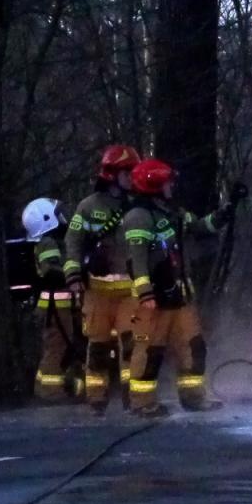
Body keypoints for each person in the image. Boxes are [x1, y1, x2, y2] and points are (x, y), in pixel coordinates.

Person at [121, 158, 239, 417]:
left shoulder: (173, 212)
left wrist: (224, 213)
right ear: (154, 186)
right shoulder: (138, 218)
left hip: (179, 295)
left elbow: (200, 226)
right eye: (167, 182)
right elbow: (136, 259)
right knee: (150, 352)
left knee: (193, 346)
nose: (171, 186)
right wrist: (145, 293)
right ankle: (142, 403)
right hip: (153, 300)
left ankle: (193, 397)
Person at [63, 144, 141, 413]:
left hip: (131, 290)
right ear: (111, 174)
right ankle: (97, 398)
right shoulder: (88, 207)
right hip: (97, 290)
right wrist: (73, 273)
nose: (132, 177)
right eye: (127, 172)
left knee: (131, 342)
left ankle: (134, 396)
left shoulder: (139, 207)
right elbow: (73, 241)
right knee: (97, 345)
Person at [22, 197, 85, 401]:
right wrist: (78, 273)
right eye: (58, 215)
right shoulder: (47, 242)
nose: (63, 218)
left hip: (62, 306)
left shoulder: (56, 241)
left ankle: (64, 388)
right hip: (55, 307)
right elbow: (51, 271)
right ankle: (49, 391)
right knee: (56, 347)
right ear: (47, 219)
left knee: (67, 347)